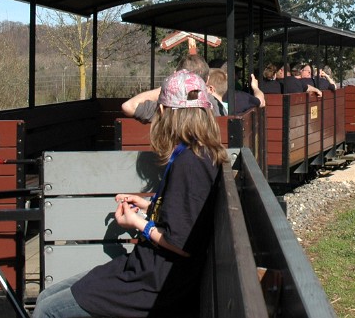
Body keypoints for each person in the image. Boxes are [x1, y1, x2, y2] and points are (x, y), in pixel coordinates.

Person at [32, 69, 228, 318]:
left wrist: (138, 223)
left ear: (165, 113)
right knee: (46, 297)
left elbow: (183, 243)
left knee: (49, 310)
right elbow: (188, 214)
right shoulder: (197, 154)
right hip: (150, 271)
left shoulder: (190, 162)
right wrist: (149, 207)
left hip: (155, 283)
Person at [122, 54, 217, 123]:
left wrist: (166, 88)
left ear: (175, 76)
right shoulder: (214, 106)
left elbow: (128, 106)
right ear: (207, 79)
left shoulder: (166, 106)